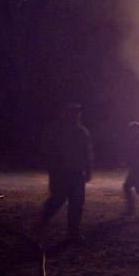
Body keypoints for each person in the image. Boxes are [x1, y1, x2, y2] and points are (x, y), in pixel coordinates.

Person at [36, 103, 93, 243]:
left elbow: (87, 152)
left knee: (77, 202)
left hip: (76, 172)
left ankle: (73, 232)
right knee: (58, 198)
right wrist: (55, 161)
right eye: (74, 112)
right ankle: (44, 219)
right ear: (66, 113)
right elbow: (46, 146)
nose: (76, 115)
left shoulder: (82, 131)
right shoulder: (56, 129)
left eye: (77, 113)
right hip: (60, 172)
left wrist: (89, 169)